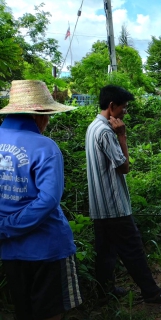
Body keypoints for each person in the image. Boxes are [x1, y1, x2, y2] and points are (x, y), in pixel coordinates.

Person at [85, 84, 161, 304]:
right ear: (111, 106)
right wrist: (123, 136)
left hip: (99, 205)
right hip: (114, 204)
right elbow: (124, 167)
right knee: (133, 248)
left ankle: (104, 292)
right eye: (124, 107)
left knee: (105, 251)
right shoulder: (107, 132)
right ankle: (151, 292)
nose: (125, 112)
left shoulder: (92, 127)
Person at [0, 80, 82, 320]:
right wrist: (8, 226)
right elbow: (48, 200)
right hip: (47, 248)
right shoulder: (45, 147)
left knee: (24, 311)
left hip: (10, 250)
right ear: (39, 115)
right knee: (50, 313)